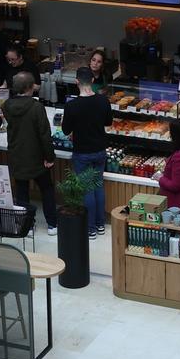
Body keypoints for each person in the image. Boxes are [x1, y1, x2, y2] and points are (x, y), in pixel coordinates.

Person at [1, 72, 58, 235]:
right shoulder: (36, 108)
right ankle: (52, 224)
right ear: (30, 87)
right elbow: (44, 135)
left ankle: (27, 225)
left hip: (17, 155)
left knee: (22, 191)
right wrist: (49, 157)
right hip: (37, 157)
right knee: (46, 189)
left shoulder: (6, 106)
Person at [60, 66, 112, 237]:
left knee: (87, 189)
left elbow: (66, 130)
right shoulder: (103, 101)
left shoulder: (72, 106)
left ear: (76, 82)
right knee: (98, 187)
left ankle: (90, 228)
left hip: (82, 153)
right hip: (99, 150)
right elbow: (108, 122)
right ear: (92, 80)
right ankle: (100, 224)